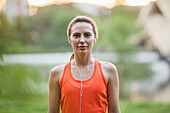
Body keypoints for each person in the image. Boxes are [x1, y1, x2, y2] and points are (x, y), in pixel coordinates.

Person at [48, 16, 121, 113]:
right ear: (69, 39)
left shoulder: (109, 70)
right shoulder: (57, 73)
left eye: (87, 35)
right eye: (76, 35)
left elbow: (115, 111)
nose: (82, 40)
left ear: (95, 38)